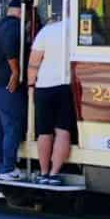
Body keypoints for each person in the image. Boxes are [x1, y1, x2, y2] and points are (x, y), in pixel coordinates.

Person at [0, 0, 33, 181]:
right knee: (12, 125)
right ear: (22, 11)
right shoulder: (13, 26)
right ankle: (8, 168)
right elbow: (10, 48)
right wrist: (16, 72)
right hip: (5, 84)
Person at [28, 15, 75, 185]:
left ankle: (43, 172)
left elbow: (34, 62)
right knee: (63, 132)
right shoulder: (80, 29)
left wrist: (30, 85)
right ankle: (55, 173)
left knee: (44, 132)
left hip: (44, 86)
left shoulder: (47, 31)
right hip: (67, 86)